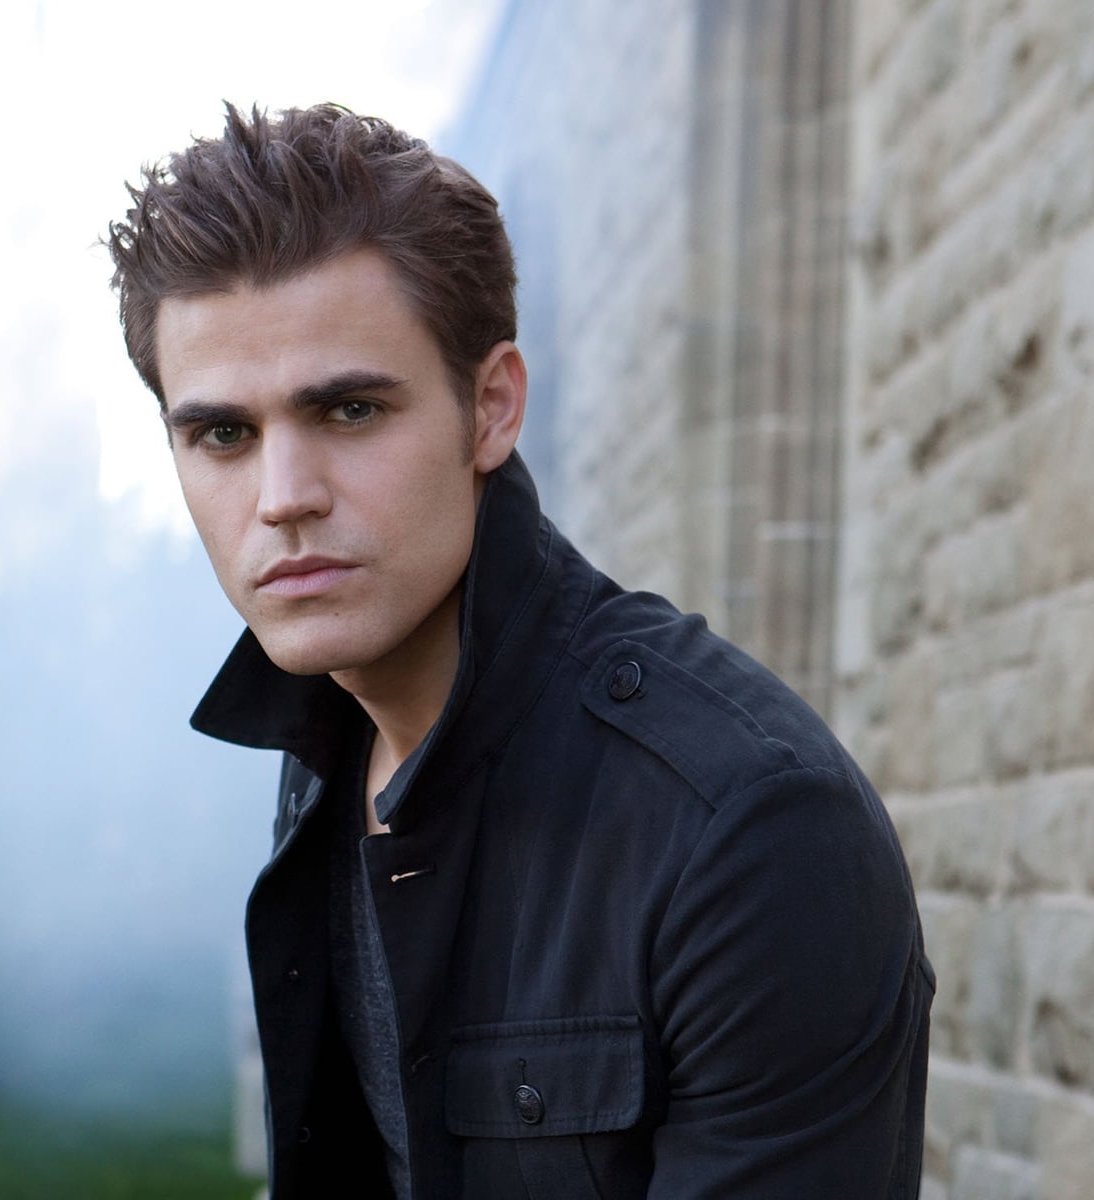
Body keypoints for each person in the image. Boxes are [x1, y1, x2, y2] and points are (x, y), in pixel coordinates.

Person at [105, 103, 933, 1200]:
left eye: (349, 410)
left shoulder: (746, 829)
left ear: (491, 407)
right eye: (222, 434)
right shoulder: (326, 747)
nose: (282, 499)